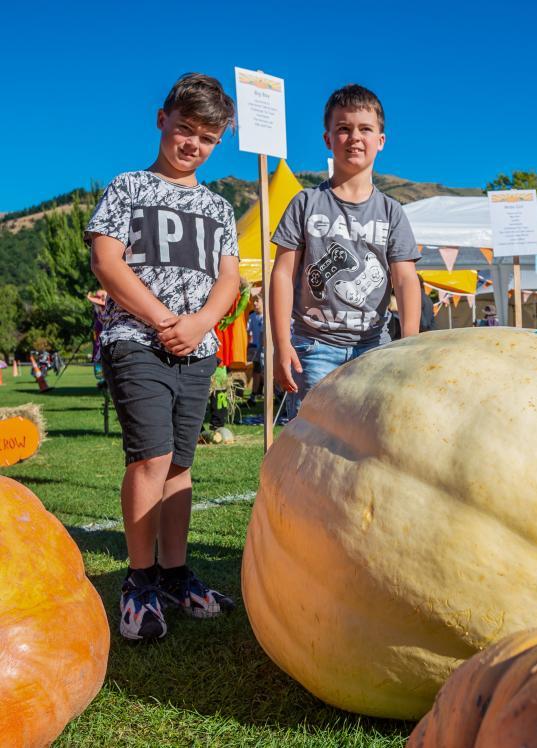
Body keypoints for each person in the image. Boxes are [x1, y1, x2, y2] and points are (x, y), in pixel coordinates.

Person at [87, 73, 240, 642]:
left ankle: (175, 575)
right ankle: (139, 580)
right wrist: (162, 320)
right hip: (136, 340)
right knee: (150, 457)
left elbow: (228, 280)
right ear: (162, 121)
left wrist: (200, 324)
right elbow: (108, 261)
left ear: (218, 141)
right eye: (184, 130)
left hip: (197, 348)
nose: (193, 144)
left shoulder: (219, 209)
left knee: (179, 464)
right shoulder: (128, 187)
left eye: (206, 137)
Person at [271, 84, 421, 414]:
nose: (354, 137)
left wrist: (411, 341)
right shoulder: (305, 203)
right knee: (313, 443)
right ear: (328, 139)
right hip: (314, 348)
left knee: (370, 439)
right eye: (343, 129)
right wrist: (281, 344)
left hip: (375, 348)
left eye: (365, 129)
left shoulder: (392, 212)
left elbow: (406, 279)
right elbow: (282, 274)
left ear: (380, 141)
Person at [246, 293, 264, 404]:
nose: (255, 303)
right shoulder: (252, 316)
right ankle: (253, 396)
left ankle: (278, 395)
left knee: (266, 374)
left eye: (257, 301)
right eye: (254, 301)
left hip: (267, 350)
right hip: (257, 349)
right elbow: (248, 332)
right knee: (256, 372)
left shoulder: (267, 316)